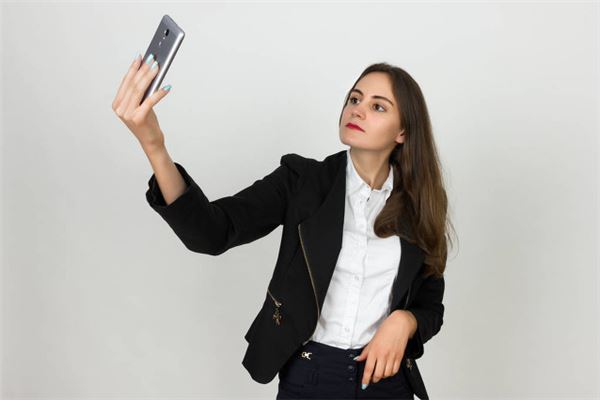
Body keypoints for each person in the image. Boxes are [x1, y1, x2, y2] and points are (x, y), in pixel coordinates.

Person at [112, 55, 454, 399]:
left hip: (388, 384)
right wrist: (154, 146)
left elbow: (430, 307)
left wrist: (405, 321)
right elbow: (211, 233)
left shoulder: (420, 203)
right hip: (310, 378)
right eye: (354, 99)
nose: (358, 110)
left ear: (403, 131)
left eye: (378, 106)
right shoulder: (301, 181)